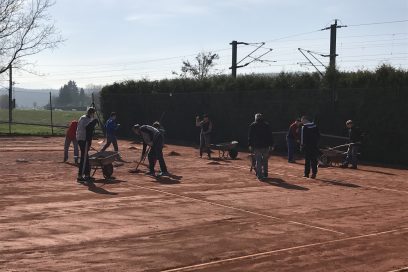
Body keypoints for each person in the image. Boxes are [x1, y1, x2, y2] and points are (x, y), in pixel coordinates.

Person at [76, 107, 99, 184]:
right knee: (84, 157)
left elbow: (89, 129)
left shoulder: (84, 118)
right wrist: (94, 121)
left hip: (83, 139)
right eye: (93, 113)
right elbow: (87, 127)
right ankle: (80, 176)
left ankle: (87, 175)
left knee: (86, 157)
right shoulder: (85, 119)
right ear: (91, 113)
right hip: (83, 139)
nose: (93, 115)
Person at [248, 113, 274, 180]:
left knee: (258, 161)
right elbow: (270, 136)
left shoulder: (253, 125)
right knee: (265, 160)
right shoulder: (266, 125)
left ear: (256, 118)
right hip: (265, 146)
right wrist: (271, 145)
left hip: (257, 146)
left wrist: (250, 145)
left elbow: (250, 137)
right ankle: (265, 174)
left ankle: (259, 175)